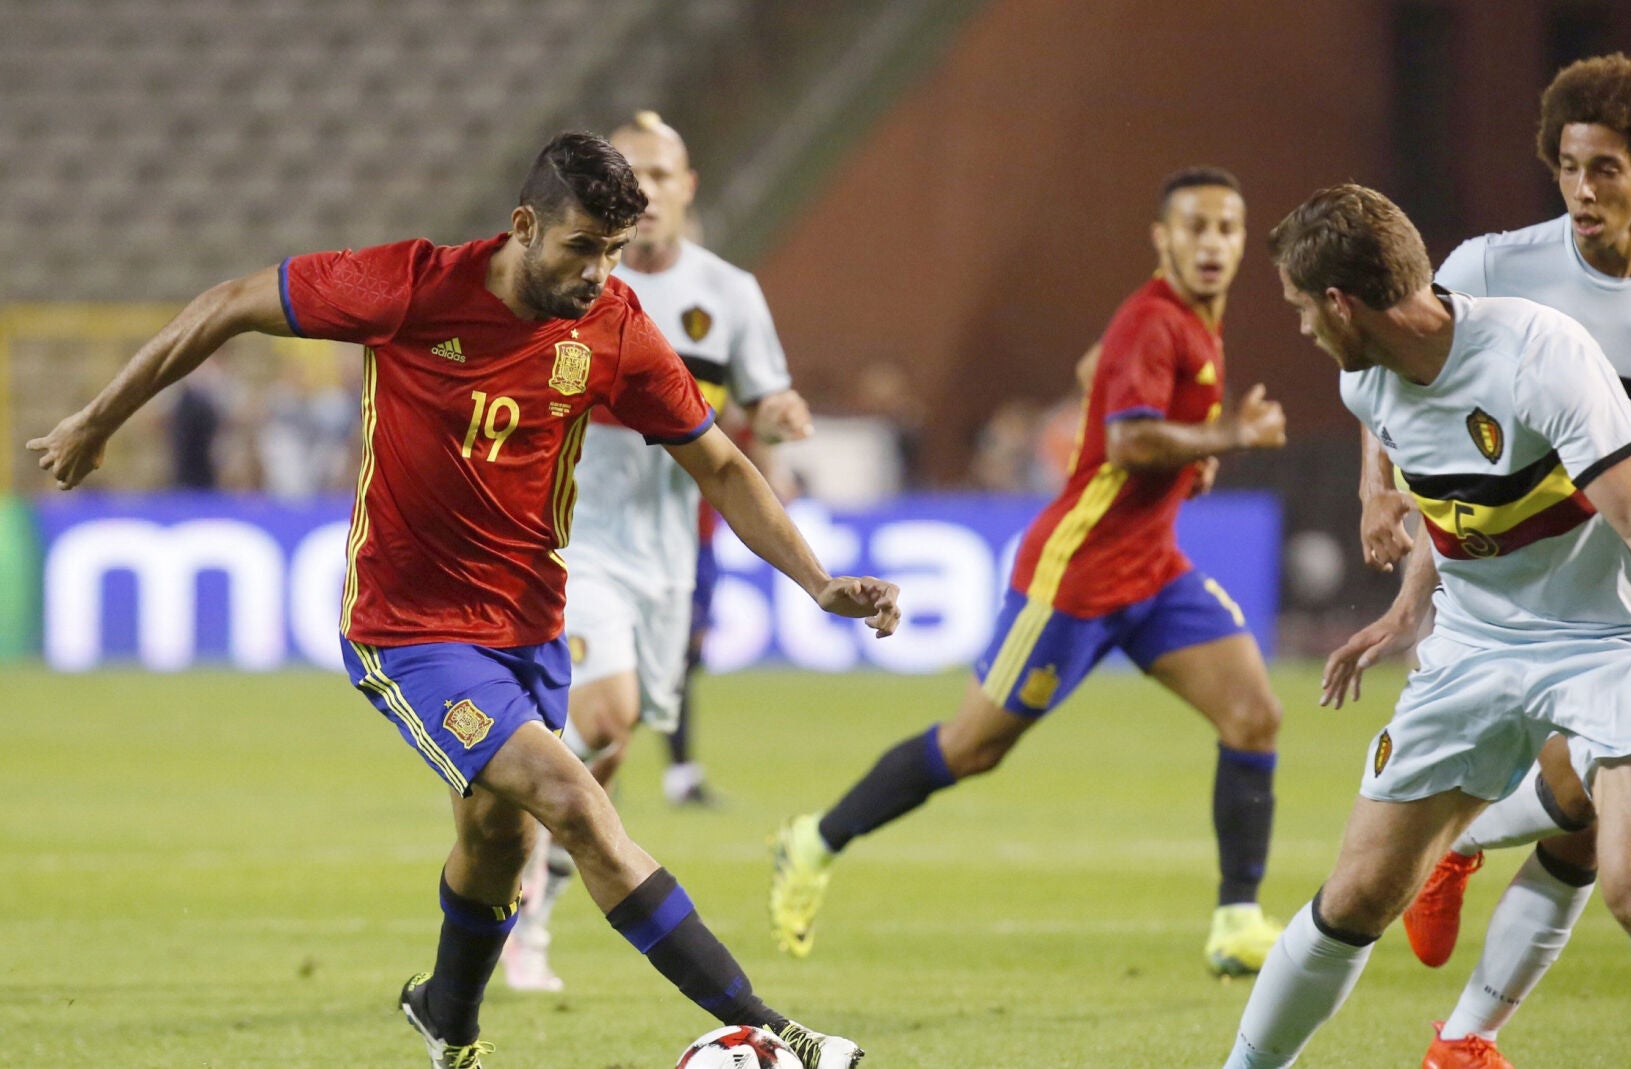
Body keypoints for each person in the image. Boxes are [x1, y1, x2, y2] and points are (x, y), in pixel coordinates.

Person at [27, 132, 893, 1069]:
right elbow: (229, 302)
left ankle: (446, 1020)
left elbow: (719, 462)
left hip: (527, 627)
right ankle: (777, 1032)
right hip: (409, 634)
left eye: (614, 250)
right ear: (523, 227)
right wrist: (96, 419)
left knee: (494, 837)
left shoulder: (616, 327)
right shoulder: (407, 286)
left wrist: (815, 579)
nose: (601, 272)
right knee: (575, 799)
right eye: (582, 248)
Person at [1224, 182, 1631, 1069]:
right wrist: (1404, 595)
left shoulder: (1538, 354)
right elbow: (1446, 490)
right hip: (1476, 646)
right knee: (1359, 894)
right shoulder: (1366, 383)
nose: (1302, 328)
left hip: (1615, 634)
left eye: (1303, 309)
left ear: (1341, 302)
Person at [1349, 54, 1631, 1066]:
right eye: (1569, 167)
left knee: (1602, 845)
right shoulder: (1494, 263)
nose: (1582, 190)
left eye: (1607, 170)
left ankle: (1462, 1034)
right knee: (1592, 828)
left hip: (1621, 583)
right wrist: (1378, 485)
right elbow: (1394, 357)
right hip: (1501, 584)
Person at [769, 166, 1294, 976]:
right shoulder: (1151, 321)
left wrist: (1190, 452)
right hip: (1074, 577)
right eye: (1196, 227)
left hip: (1153, 570)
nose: (1214, 243)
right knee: (973, 747)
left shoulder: (1195, 319)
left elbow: (1095, 376)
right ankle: (814, 839)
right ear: (1163, 238)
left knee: (1254, 712)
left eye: (1228, 228)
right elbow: (1126, 441)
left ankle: (1235, 921)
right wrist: (1222, 439)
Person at [500, 113, 812, 994]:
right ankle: (520, 904)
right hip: (571, 540)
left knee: (607, 745)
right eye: (635, 174)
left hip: (671, 555)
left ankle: (527, 870)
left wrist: (780, 409)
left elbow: (758, 396)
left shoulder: (731, 293)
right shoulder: (570, 283)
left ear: (687, 186)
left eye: (664, 174)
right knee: (606, 717)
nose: (652, 189)